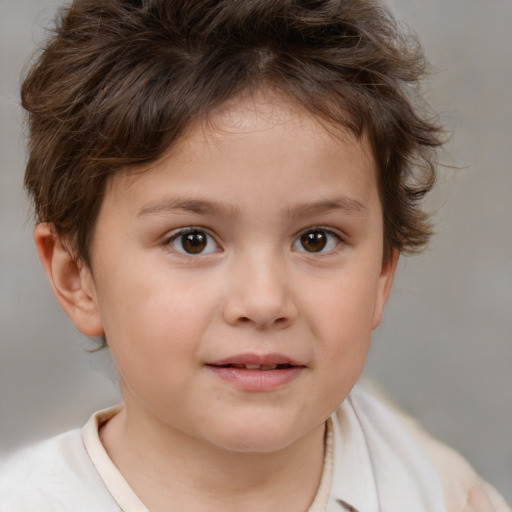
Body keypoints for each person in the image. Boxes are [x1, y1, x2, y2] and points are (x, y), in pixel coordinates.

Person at [0, 0, 509, 510]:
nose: (264, 302)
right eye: (192, 240)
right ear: (76, 278)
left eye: (316, 239)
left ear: (381, 274)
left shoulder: (441, 493)